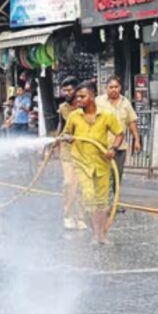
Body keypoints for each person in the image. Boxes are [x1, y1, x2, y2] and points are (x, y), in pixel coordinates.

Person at [60, 81, 123, 245]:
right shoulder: (74, 116)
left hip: (101, 163)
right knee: (89, 197)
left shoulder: (107, 116)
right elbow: (66, 133)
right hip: (81, 163)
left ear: (93, 96)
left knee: (102, 201)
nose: (79, 99)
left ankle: (101, 234)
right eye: (77, 97)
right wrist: (67, 137)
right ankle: (96, 234)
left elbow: (119, 134)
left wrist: (113, 149)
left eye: (83, 96)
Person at [96, 76, 141, 212]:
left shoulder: (125, 103)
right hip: (101, 147)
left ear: (120, 88)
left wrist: (137, 140)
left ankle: (114, 203)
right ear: (106, 88)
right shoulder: (98, 101)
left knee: (116, 176)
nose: (114, 90)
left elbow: (131, 122)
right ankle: (102, 203)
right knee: (104, 176)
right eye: (111, 87)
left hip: (119, 148)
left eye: (116, 87)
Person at [56, 76, 86, 231]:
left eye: (69, 90)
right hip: (67, 151)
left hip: (83, 152)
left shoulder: (84, 107)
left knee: (81, 185)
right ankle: (68, 216)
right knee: (69, 183)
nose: (66, 93)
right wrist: (56, 141)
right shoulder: (63, 108)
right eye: (64, 90)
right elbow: (60, 125)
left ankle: (80, 217)